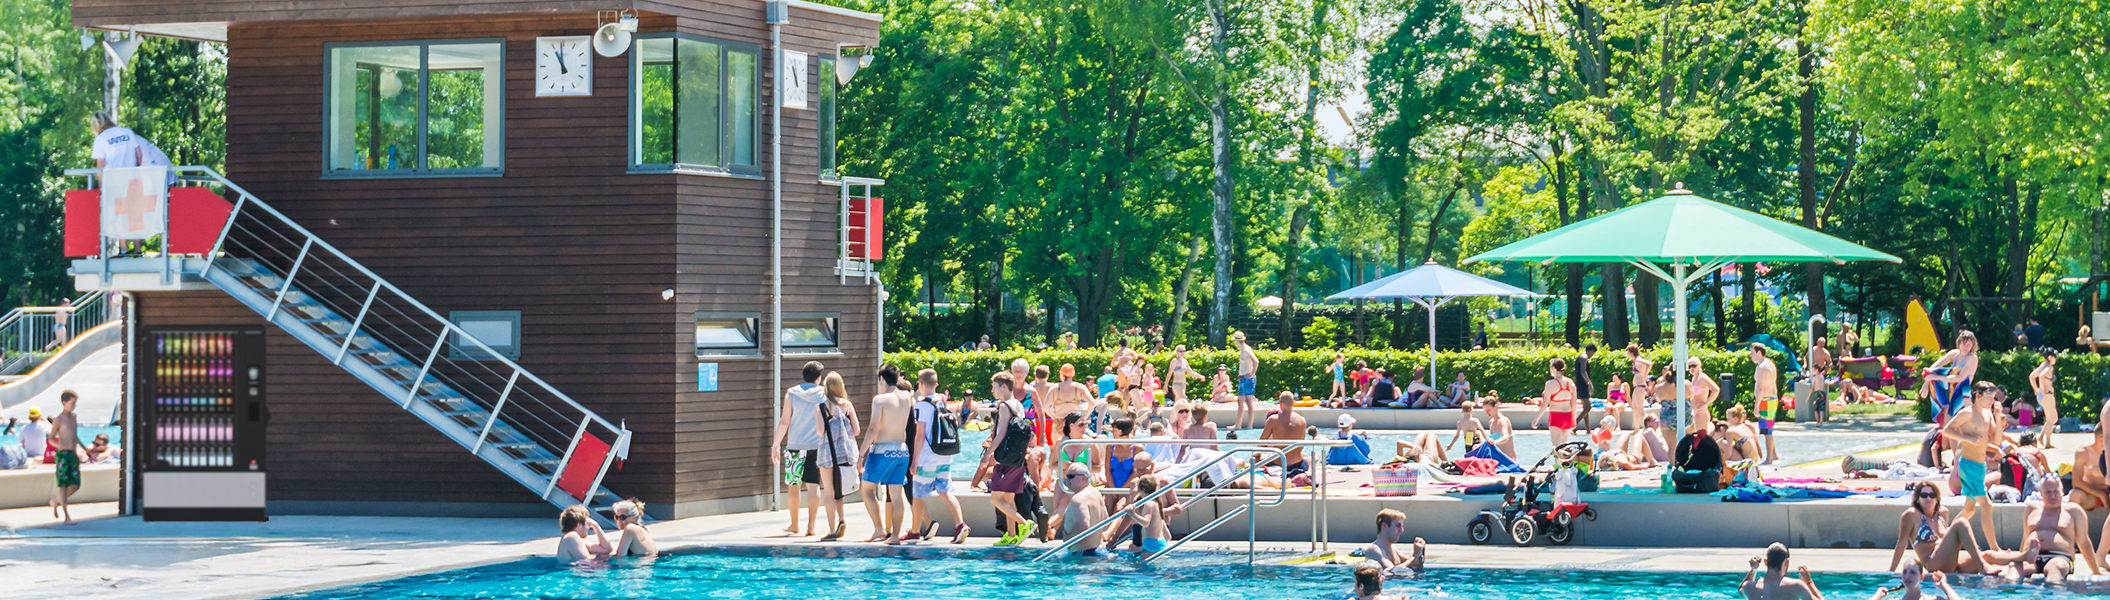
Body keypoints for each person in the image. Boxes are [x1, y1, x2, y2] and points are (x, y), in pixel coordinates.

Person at [907, 369, 970, 544]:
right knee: (945, 491)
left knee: (918, 494)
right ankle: (960, 524)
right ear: (936, 384)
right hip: (945, 456)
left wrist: (914, 461)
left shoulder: (921, 406)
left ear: (920, 385)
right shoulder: (942, 403)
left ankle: (914, 531)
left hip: (928, 458)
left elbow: (920, 435)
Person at [768, 362, 829, 536]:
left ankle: (794, 524)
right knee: (813, 485)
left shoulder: (792, 393)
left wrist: (775, 445)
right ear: (818, 378)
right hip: (816, 446)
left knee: (793, 485)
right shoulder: (823, 393)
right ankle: (811, 526)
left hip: (795, 446)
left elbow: (785, 420)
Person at [1942, 382, 2002, 552]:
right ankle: (1995, 548)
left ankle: (1946, 538)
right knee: (1987, 505)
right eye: (1989, 397)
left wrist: (1997, 417)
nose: (1992, 400)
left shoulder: (1987, 415)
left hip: (1980, 466)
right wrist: (1967, 438)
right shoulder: (1967, 413)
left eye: (1993, 397)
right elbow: (1946, 430)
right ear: (1977, 395)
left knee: (1968, 510)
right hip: (1968, 466)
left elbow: (1996, 441)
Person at [859, 365, 914, 543]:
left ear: (882, 379)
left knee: (867, 489)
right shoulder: (907, 396)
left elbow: (873, 428)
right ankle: (896, 536)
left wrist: (861, 454)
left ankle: (879, 528)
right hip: (901, 449)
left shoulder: (880, 400)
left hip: (882, 450)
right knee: (896, 494)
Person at [983, 371, 1039, 546]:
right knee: (1008, 499)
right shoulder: (1018, 404)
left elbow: (1001, 433)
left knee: (996, 498)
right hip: (1018, 457)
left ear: (1003, 386)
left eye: (994, 387)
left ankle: (1025, 523)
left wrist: (988, 453)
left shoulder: (1003, 406)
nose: (993, 391)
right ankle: (1011, 535)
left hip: (1005, 458)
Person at [2013, 474, 2100, 582]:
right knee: (2014, 569)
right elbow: (2026, 537)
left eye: (2056, 491)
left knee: (2055, 570)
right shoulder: (2031, 508)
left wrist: (2097, 572)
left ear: (2062, 491)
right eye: (2048, 492)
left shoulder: (2073, 510)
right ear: (2040, 493)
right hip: (2031, 557)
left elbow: (2084, 543)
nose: (2052, 496)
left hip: (2060, 557)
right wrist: (2021, 558)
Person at [813, 372, 862, 541]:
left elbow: (820, 431)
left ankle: (832, 529)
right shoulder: (847, 405)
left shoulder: (821, 406)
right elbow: (856, 431)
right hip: (845, 452)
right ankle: (842, 519)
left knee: (829, 492)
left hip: (827, 452)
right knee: (839, 491)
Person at [1050, 462, 1111, 557]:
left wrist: (1067, 537)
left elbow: (1084, 529)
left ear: (1084, 478)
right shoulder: (1096, 493)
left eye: (1071, 476)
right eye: (1066, 476)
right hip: (1099, 550)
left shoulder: (1078, 499)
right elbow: (1106, 523)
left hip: (1083, 554)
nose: (1067, 480)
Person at [1923, 330, 1981, 425]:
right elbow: (1933, 368)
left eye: (1969, 345)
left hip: (1961, 394)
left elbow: (1960, 378)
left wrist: (1936, 377)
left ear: (1973, 345)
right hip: (1949, 392)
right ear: (1959, 343)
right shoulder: (1954, 354)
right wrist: (1926, 382)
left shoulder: (1972, 358)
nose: (1966, 347)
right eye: (1964, 344)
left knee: (1958, 426)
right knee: (1946, 425)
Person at [1738, 543, 1826, 600]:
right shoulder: (1796, 586)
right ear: (1786, 562)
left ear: (1766, 562)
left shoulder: (1749, 587)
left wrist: (1754, 569)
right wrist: (1809, 583)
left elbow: (1741, 589)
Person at [50, 392, 85, 525]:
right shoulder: (59, 419)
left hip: (72, 453)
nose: (74, 406)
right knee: (63, 486)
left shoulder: (74, 417)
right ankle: (66, 517)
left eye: (75, 403)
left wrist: (84, 448)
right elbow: (51, 438)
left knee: (76, 484)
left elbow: (74, 436)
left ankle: (56, 501)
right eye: (72, 403)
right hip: (63, 454)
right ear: (64, 403)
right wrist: (58, 445)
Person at [1260, 391, 1311, 483]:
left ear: (1280, 403)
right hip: (1298, 464)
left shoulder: (1273, 419)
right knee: (1308, 458)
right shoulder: (1302, 420)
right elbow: (1301, 446)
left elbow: (1261, 443)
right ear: (1293, 403)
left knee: (1257, 459)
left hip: (1279, 463)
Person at [1356, 508, 1427, 572]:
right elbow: (1393, 571)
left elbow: (1415, 563)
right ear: (1384, 526)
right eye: (1398, 526)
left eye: (1402, 526)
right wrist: (1415, 555)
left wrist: (1421, 551)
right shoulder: (1374, 550)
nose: (1402, 530)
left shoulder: (1393, 549)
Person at [1533, 358, 1579, 448]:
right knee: (1565, 448)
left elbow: (1545, 404)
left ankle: (1557, 462)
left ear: (1554, 368)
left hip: (1556, 416)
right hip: (1568, 416)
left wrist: (1536, 420)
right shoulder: (1570, 382)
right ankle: (1565, 462)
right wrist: (1574, 419)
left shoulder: (1550, 384)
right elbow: (1574, 403)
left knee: (1557, 448)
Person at [1868, 558, 1963, 600]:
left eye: (1913, 572)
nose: (1908, 576)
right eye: (1905, 572)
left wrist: (1944, 585)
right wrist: (1877, 596)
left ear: (1922, 577)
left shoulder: (1932, 599)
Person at [1047, 364, 1092, 447]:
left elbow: (1045, 406)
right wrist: (1085, 416)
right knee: (1075, 449)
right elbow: (1092, 403)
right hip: (1075, 423)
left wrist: (1053, 415)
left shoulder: (1055, 388)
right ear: (1073, 374)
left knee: (1058, 451)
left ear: (1062, 374)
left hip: (1060, 421)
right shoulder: (1079, 387)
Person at [1750, 343, 1781, 465]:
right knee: (1769, 429)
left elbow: (1761, 388)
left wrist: (1756, 406)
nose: (1750, 355)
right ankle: (1774, 454)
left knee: (1767, 431)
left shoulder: (1762, 367)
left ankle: (1769, 458)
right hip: (1772, 399)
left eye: (1752, 352)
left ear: (1759, 352)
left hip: (1766, 401)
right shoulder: (1769, 363)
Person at [2029, 350, 2057, 448]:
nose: (2056, 359)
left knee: (2054, 418)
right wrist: (2043, 390)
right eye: (2054, 356)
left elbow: (2032, 376)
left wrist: (2036, 389)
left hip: (2042, 395)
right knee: (2050, 420)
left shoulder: (2043, 365)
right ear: (2050, 357)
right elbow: (2041, 376)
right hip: (2047, 395)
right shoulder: (2049, 367)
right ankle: (2048, 443)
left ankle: (2041, 436)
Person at [1807, 330, 1834, 427]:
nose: (1821, 345)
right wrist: (1805, 365)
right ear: (1817, 342)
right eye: (1820, 343)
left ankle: (1820, 420)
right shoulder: (1813, 350)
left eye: (1823, 344)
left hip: (1821, 370)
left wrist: (1826, 369)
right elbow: (1806, 357)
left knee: (1819, 406)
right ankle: (1818, 420)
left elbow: (1830, 362)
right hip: (1812, 368)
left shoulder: (1825, 353)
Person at [1234, 331, 1259, 430]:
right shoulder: (1242, 349)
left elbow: (1256, 361)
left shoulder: (1246, 349)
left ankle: (1250, 425)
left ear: (1238, 340)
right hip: (1243, 378)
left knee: (1248, 401)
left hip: (1248, 378)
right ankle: (1238, 424)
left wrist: (1252, 373)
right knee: (1240, 401)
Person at [1576, 343, 1598, 428]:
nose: (1592, 355)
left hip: (1582, 384)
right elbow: (1583, 371)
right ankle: (1574, 424)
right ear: (1591, 351)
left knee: (1586, 407)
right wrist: (1589, 383)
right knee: (1588, 407)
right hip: (1582, 384)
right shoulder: (1584, 357)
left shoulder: (1581, 356)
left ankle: (1588, 428)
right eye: (1593, 353)